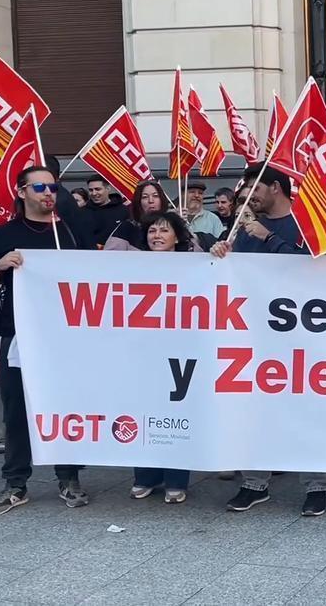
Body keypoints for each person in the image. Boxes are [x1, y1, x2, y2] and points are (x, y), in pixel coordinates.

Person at [211, 165, 326, 516]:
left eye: (254, 188)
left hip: (301, 335)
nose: (249, 195)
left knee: (305, 410)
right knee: (253, 408)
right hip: (255, 334)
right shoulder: (244, 228)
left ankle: (315, 485)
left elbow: (313, 269)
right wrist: (221, 254)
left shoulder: (304, 225)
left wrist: (269, 238)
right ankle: (255, 482)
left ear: (275, 188)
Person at [0, 165, 83, 515]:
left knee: (63, 407)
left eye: (53, 187)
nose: (48, 193)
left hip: (63, 337)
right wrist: (1, 265)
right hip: (16, 334)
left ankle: (68, 477)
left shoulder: (67, 231)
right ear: (21, 192)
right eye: (39, 187)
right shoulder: (4, 235)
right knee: (17, 410)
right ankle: (16, 483)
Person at [129, 211, 195, 504]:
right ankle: (145, 476)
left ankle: (176, 479)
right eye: (152, 230)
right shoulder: (133, 267)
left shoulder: (194, 267)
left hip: (180, 351)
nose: (156, 235)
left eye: (164, 231)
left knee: (176, 413)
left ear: (177, 238)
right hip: (144, 350)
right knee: (144, 410)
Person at [104, 180, 169, 251]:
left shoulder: (172, 227)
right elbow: (110, 257)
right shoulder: (127, 228)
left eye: (155, 196)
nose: (151, 200)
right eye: (145, 197)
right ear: (138, 201)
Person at [83, 175, 128, 246]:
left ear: (108, 189)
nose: (94, 193)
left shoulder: (123, 211)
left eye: (98, 189)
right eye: (91, 190)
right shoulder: (82, 212)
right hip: (90, 254)